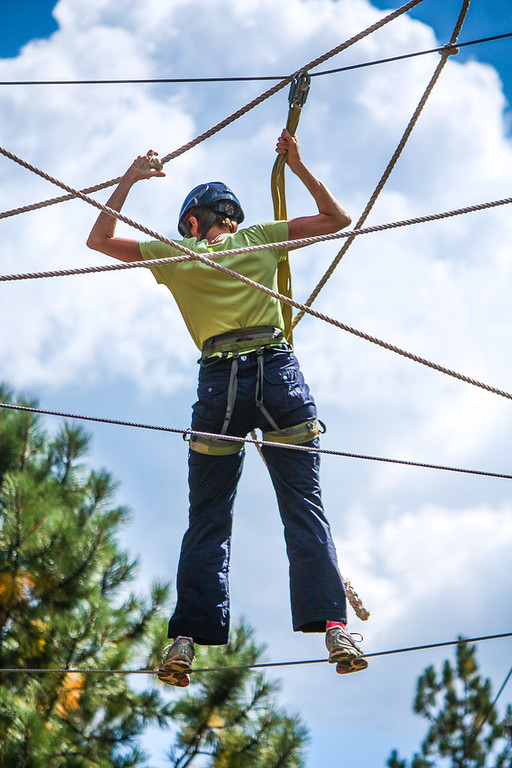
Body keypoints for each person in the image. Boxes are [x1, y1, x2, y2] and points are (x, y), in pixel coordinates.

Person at [87, 128, 368, 686]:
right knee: (303, 509)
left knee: (208, 519)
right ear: (230, 218)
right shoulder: (261, 237)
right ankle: (333, 626)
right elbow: (338, 219)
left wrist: (128, 180)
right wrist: (299, 164)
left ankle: (186, 639)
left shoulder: (175, 254)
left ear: (192, 223)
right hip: (278, 375)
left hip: (220, 385)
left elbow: (99, 240)